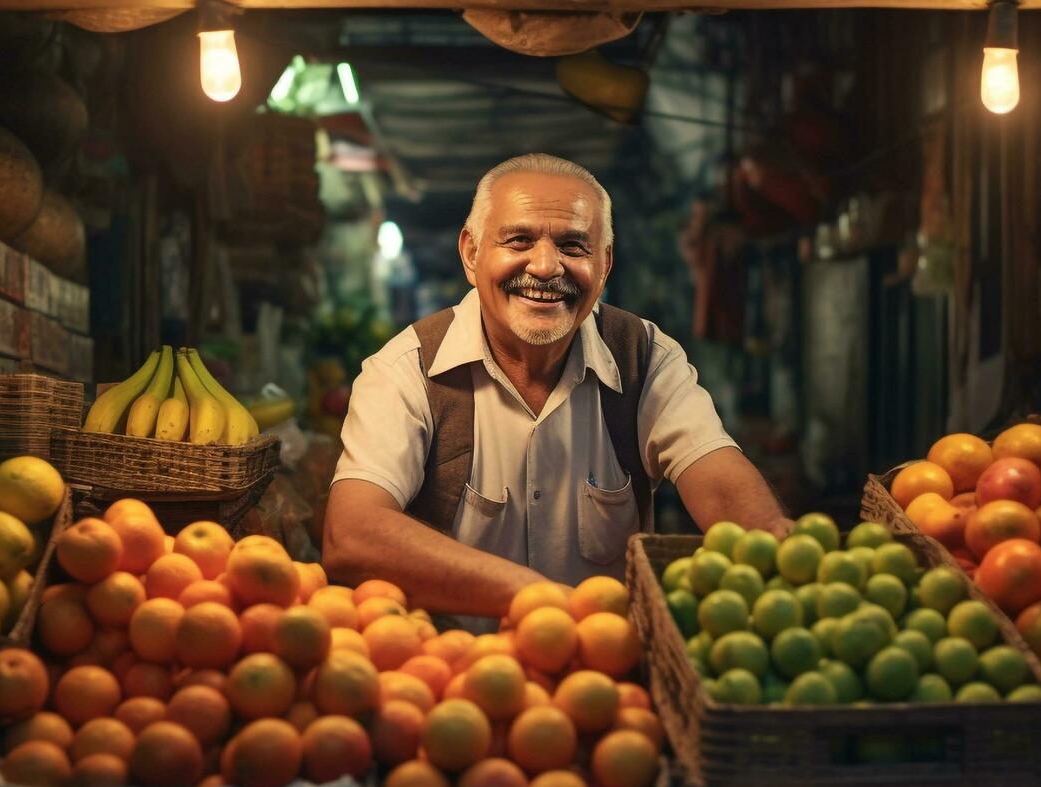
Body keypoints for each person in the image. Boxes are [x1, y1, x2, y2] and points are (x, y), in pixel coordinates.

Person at [324, 154, 790, 618]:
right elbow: (351, 536)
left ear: (604, 265)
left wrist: (775, 544)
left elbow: (716, 475)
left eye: (573, 246)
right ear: (471, 253)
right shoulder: (406, 370)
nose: (546, 267)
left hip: (604, 679)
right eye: (519, 240)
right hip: (451, 678)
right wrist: (548, 603)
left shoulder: (643, 358)